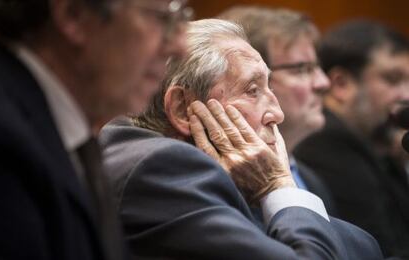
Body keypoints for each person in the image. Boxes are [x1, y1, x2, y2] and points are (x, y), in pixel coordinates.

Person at [100, 18, 382, 259]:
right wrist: (277, 186)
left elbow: (362, 246)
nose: (277, 113)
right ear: (183, 108)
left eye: (269, 87)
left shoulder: (193, 168)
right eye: (252, 90)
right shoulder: (162, 166)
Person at [0, 0, 188, 259]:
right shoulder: (5, 143)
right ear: (74, 15)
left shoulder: (73, 132)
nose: (179, 45)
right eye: (162, 18)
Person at [294, 20, 409, 258]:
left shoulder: (377, 143)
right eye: (392, 79)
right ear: (341, 84)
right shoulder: (325, 143)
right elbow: (383, 248)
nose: (406, 95)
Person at [218, 6, 337, 214]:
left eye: (317, 67)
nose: (323, 82)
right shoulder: (222, 185)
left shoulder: (312, 180)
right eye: (302, 69)